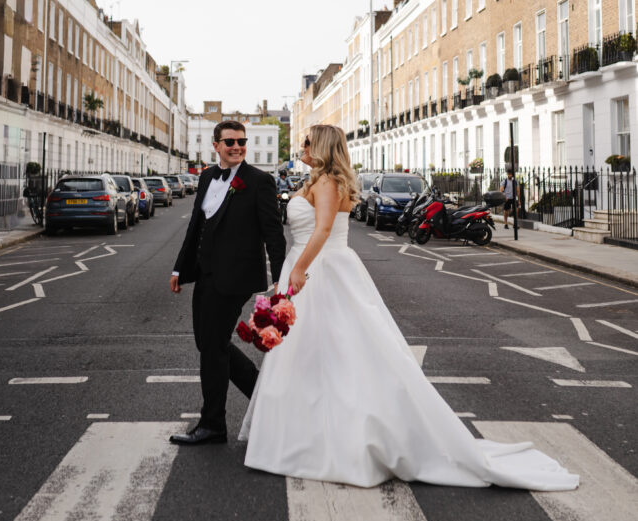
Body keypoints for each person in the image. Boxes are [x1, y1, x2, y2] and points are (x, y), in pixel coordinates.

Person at [239, 124, 578, 491]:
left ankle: (329, 437)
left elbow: (322, 230)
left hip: (322, 268)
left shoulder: (327, 183)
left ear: (321, 147)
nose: (300, 146)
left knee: (338, 352)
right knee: (312, 354)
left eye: (306, 141)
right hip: (311, 264)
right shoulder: (316, 180)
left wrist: (301, 269)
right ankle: (308, 430)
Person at [169, 119, 286, 445]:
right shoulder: (207, 177)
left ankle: (213, 424)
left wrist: (280, 281)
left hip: (236, 278)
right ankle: (265, 399)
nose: (237, 147)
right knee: (210, 345)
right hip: (205, 275)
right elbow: (196, 226)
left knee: (212, 347)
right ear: (216, 146)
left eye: (241, 142)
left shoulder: (259, 181)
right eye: (230, 142)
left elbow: (273, 234)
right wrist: (180, 269)